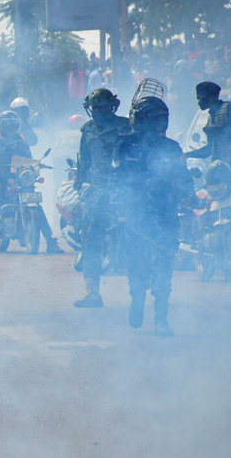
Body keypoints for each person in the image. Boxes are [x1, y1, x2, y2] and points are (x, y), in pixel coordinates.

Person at [112, 97, 195, 336]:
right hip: (136, 216)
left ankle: (161, 320)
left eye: (162, 118)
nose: (161, 123)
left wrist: (192, 197)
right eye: (156, 118)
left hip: (166, 215)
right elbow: (115, 179)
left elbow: (183, 178)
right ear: (142, 120)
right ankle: (137, 300)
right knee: (137, 265)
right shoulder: (125, 146)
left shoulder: (171, 148)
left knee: (163, 268)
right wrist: (117, 207)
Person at [73, 88, 131, 308]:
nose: (99, 112)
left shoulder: (127, 127)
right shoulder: (87, 131)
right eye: (95, 108)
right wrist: (80, 185)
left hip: (126, 189)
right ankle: (92, 292)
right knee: (90, 238)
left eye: (103, 107)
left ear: (112, 107)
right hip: (98, 192)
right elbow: (84, 163)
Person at [0, 111, 63, 254]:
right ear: (2, 125)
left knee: (38, 208)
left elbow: (28, 156)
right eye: (7, 124)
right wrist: (2, 144)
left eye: (13, 124)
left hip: (20, 178)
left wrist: (35, 165)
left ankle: (51, 242)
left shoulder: (21, 138)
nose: (10, 127)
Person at [182, 81, 231, 187]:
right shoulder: (210, 118)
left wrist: (217, 129)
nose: (198, 102)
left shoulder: (230, 107)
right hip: (219, 170)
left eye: (199, 98)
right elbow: (210, 149)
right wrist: (187, 155)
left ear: (206, 96)